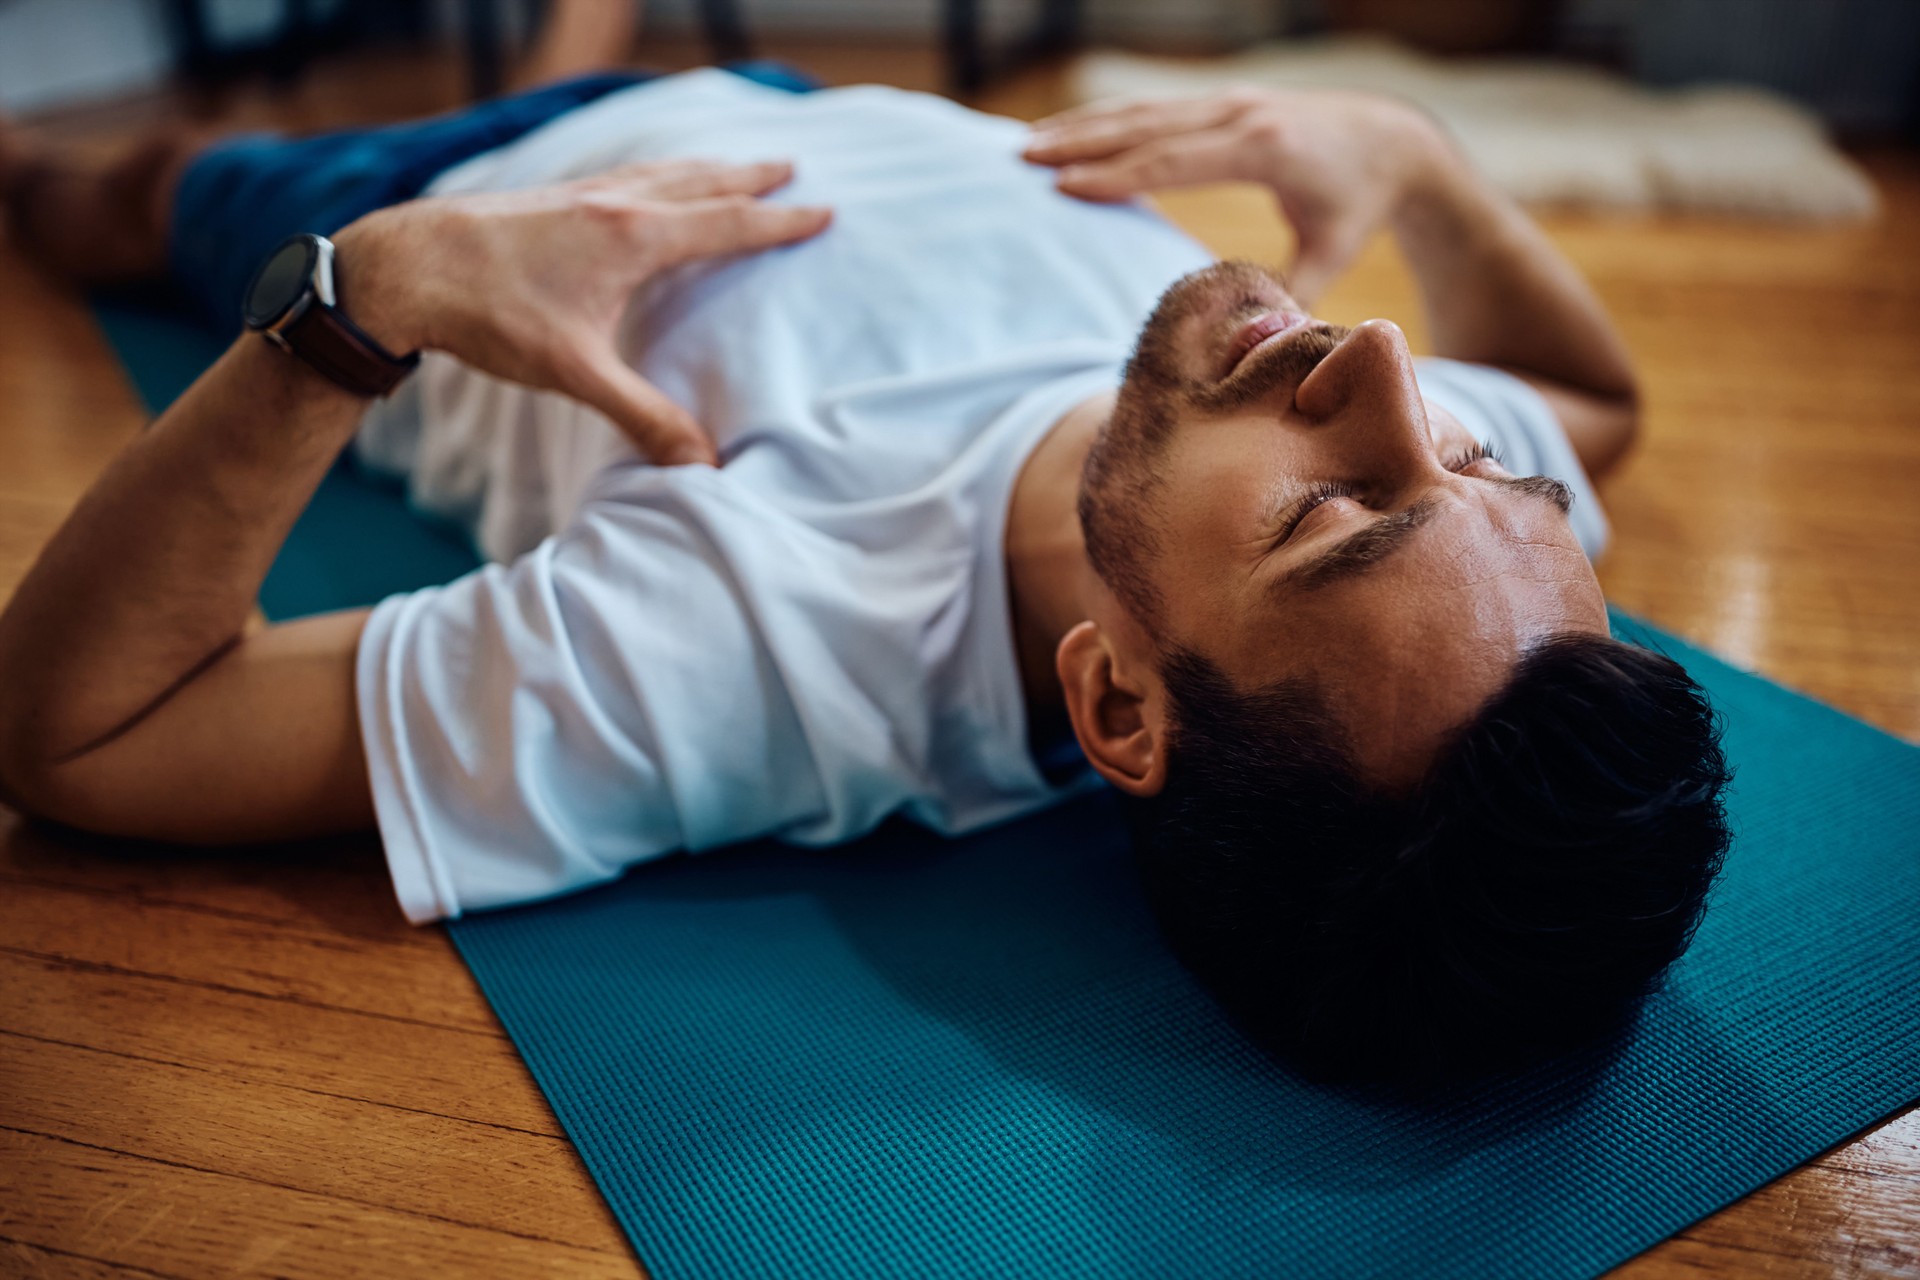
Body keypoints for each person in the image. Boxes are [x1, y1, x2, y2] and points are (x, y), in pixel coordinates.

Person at [0, 69, 1731, 1076]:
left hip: (457, 182)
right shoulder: (1488, 579)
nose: (1375, 364)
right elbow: (1598, 402)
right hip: (791, 105)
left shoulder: (767, 641)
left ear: (1118, 704)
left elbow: (82, 734)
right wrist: (1414, 151)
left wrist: (370, 295)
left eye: (1326, 515)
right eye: (1479, 466)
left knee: (129, 191)